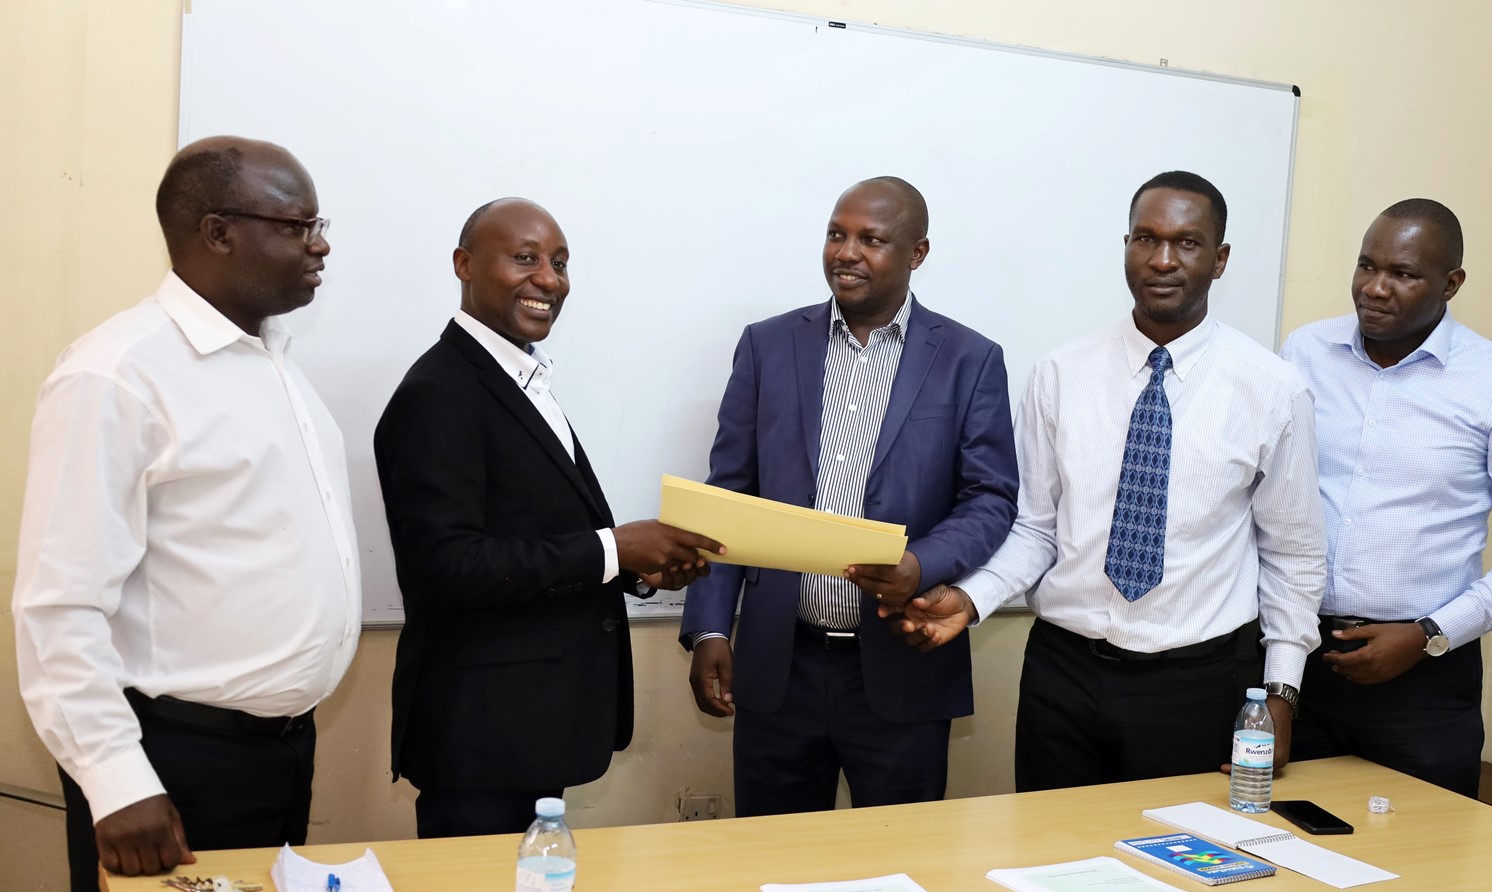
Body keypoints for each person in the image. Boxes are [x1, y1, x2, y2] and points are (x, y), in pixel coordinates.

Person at [886, 171, 1325, 791]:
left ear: (1220, 260)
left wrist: (1280, 694)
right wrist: (973, 597)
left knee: (1174, 868)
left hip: (1194, 682)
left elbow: (1295, 555)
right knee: (1052, 864)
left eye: (1187, 243)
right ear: (1125, 245)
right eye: (1145, 238)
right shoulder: (1060, 374)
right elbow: (1037, 529)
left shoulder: (1273, 390)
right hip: (1062, 675)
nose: (1162, 260)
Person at [12, 137, 357, 890]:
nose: (320, 244)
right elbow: (59, 606)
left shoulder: (277, 366)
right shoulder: (117, 374)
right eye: (299, 225)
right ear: (218, 231)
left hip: (279, 756)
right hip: (171, 762)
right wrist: (114, 778)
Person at [373, 197, 723, 838]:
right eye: (525, 258)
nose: (550, 280)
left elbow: (534, 536)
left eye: (560, 263)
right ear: (464, 264)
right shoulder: (439, 393)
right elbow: (446, 566)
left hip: (529, 730)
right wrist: (617, 548)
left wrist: (639, 569)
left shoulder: (519, 380)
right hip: (480, 739)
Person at [678, 177, 1019, 817]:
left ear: (917, 253)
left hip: (902, 666)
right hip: (782, 664)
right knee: (769, 861)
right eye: (837, 234)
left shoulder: (969, 359)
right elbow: (729, 493)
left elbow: (991, 498)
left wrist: (924, 562)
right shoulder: (768, 345)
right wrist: (707, 630)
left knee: (898, 861)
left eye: (872, 239)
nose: (847, 252)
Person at [1279, 199, 1492, 798]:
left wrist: (1430, 634)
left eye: (1404, 274)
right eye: (1366, 265)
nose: (1375, 288)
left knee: (1422, 863)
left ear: (1452, 283)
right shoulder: (1303, 352)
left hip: (1424, 678)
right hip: (1297, 658)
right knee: (1281, 850)